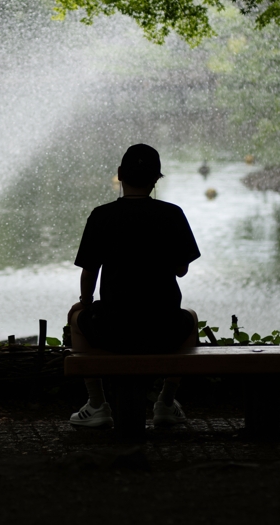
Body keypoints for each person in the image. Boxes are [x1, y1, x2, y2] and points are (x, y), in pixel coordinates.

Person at [67, 144, 201, 429]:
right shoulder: (172, 214)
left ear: (119, 175)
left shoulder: (101, 215)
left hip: (114, 329)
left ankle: (96, 404)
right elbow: (181, 269)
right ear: (156, 179)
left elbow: (89, 271)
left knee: (74, 316)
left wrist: (86, 300)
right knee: (190, 319)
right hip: (162, 328)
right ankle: (165, 403)